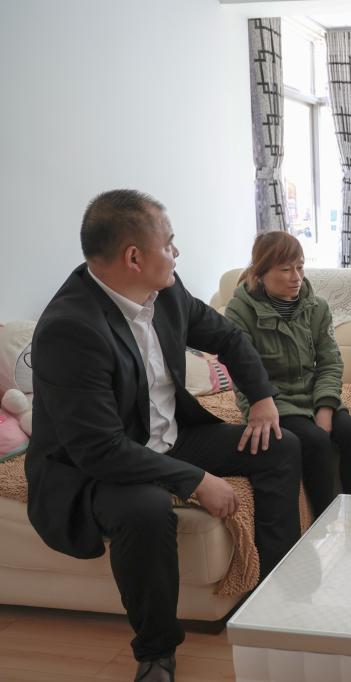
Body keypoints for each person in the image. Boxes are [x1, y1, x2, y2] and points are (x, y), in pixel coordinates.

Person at [26, 190, 302, 682]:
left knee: (279, 446)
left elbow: (228, 337)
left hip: (169, 437)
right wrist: (196, 480)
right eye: (169, 243)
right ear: (134, 257)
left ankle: (273, 596)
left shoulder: (166, 292)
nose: (177, 252)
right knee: (147, 509)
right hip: (94, 468)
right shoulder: (70, 329)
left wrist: (262, 397)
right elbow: (99, 449)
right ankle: (156, 652)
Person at [224, 231, 351, 516]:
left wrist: (325, 407)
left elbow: (330, 362)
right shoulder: (239, 311)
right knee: (316, 441)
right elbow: (242, 370)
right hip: (272, 401)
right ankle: (325, 520)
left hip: (313, 394)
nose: (296, 277)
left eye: (300, 267)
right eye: (285, 269)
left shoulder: (317, 307)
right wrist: (261, 403)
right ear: (261, 272)